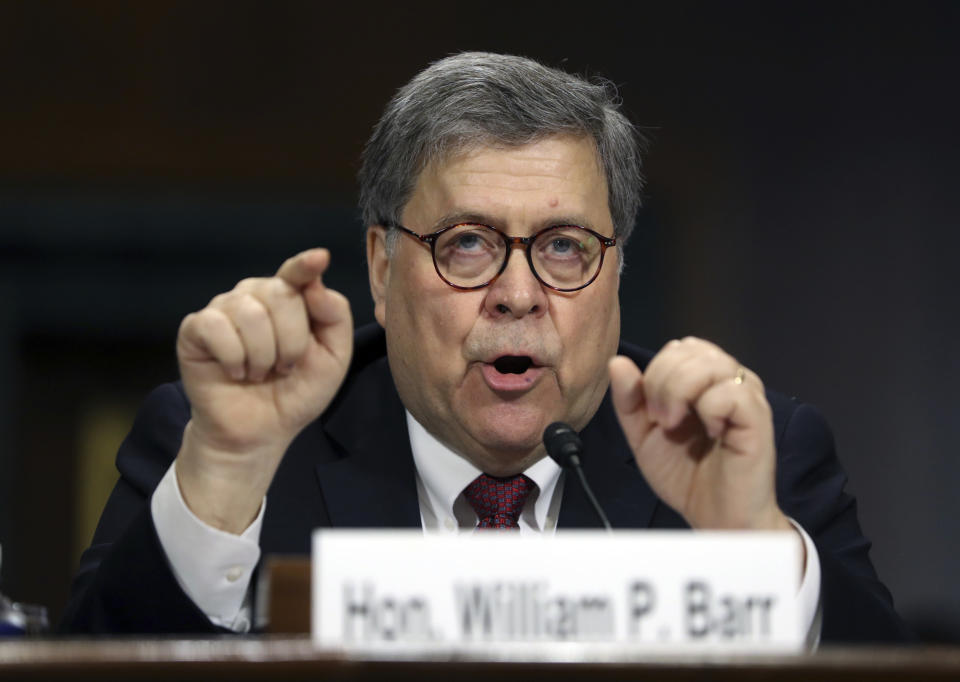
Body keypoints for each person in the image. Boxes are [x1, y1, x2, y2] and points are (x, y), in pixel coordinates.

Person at [61, 52, 907, 642]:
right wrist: (223, 472)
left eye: (565, 246)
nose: (516, 292)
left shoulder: (745, 453)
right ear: (382, 269)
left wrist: (752, 552)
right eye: (467, 243)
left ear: (616, 273)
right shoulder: (238, 442)